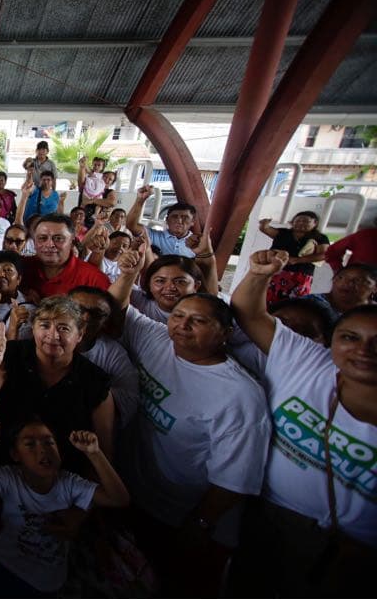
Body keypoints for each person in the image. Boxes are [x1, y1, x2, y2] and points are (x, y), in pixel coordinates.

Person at [109, 245, 270, 594]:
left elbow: (233, 480)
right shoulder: (157, 340)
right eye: (179, 316)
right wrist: (125, 275)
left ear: (225, 333)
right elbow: (117, 311)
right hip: (139, 495)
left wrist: (198, 526)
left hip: (186, 518)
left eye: (199, 321)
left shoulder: (239, 396)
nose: (183, 326)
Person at [229, 250, 376, 595]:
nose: (363, 351)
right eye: (350, 337)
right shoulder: (307, 360)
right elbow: (249, 311)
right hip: (268, 514)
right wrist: (259, 273)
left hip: (354, 547)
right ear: (334, 342)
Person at [0, 420, 129, 597]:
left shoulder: (69, 483)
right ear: (15, 454)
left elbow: (119, 499)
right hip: (7, 564)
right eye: (30, 444)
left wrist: (95, 453)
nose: (43, 449)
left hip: (49, 580)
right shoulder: (10, 478)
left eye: (49, 442)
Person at [0, 296, 116, 471]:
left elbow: (105, 450)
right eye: (45, 325)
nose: (52, 335)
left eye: (63, 328)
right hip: (4, 468)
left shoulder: (95, 380)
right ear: (33, 329)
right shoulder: (12, 354)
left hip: (64, 479)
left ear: (80, 335)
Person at [67, 286, 139, 427]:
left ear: (105, 321)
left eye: (97, 314)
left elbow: (130, 400)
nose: (86, 317)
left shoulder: (113, 353)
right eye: (78, 309)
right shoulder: (42, 338)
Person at [20, 213, 110, 299]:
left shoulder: (93, 279)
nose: (50, 244)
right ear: (34, 242)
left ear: (71, 242)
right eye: (42, 238)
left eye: (58, 238)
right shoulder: (19, 268)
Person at [259, 212, 330, 302]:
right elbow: (265, 229)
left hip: (301, 274)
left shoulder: (320, 237)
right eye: (298, 220)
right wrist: (264, 224)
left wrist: (297, 260)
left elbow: (324, 255)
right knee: (266, 298)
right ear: (292, 222)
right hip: (275, 271)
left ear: (315, 223)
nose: (301, 223)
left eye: (305, 221)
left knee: (294, 302)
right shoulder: (283, 232)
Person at [126, 186, 197, 258]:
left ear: (192, 221)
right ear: (166, 220)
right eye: (174, 216)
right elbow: (131, 225)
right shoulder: (153, 236)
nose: (179, 221)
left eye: (185, 217)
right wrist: (140, 199)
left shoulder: (197, 243)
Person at [298, 263, 377, 323]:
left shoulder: (373, 313)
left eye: (359, 280)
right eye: (341, 277)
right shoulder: (309, 304)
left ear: (375, 288)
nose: (347, 283)